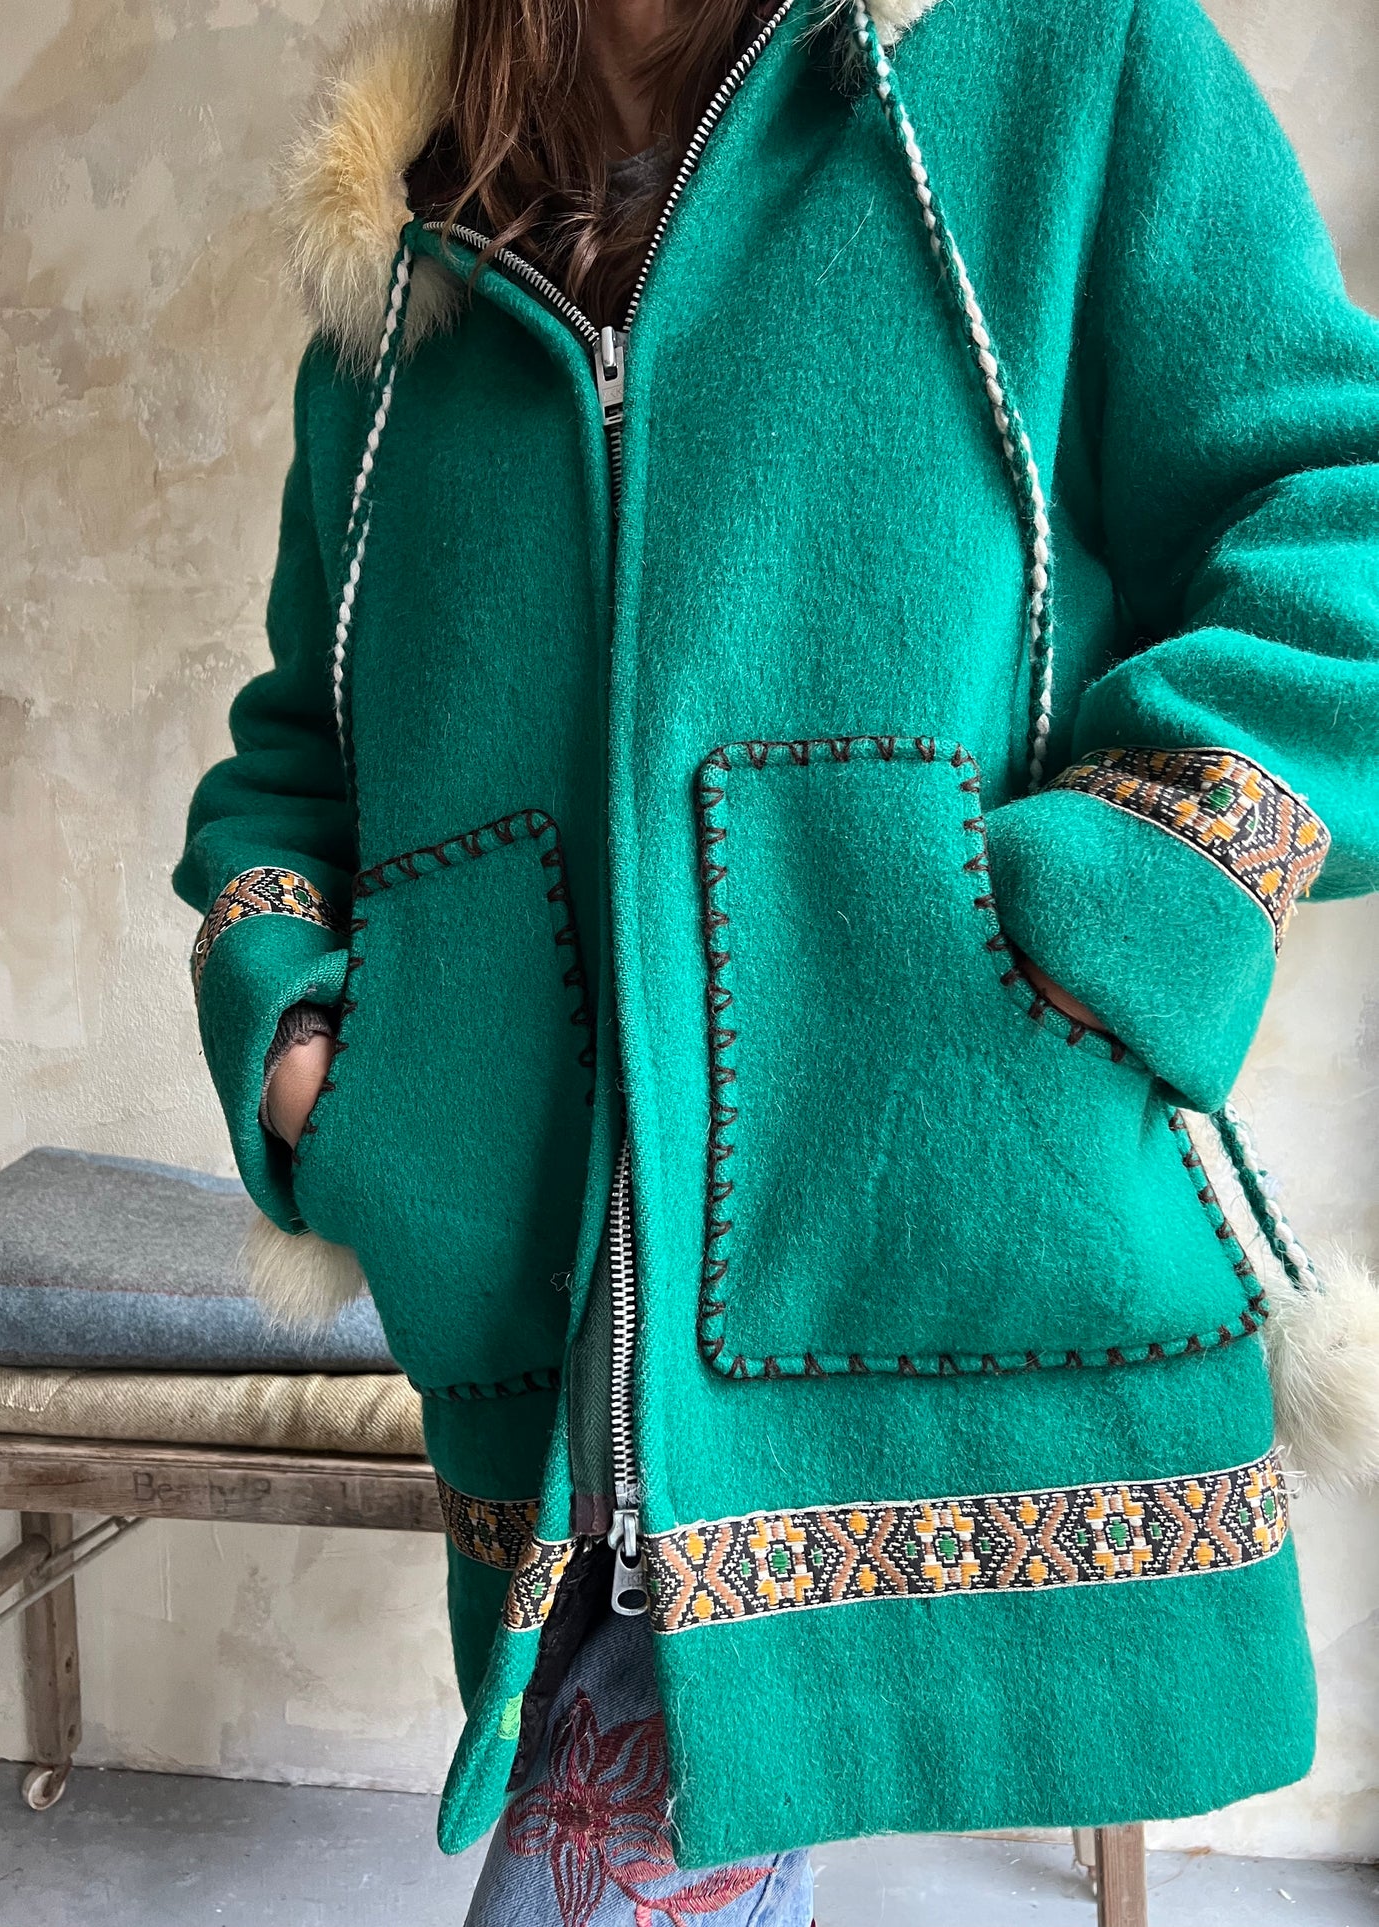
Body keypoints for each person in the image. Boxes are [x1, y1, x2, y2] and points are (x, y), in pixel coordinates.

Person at [175, 0, 1379, 1918]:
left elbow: (1337, 527)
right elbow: (298, 746)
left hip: (924, 1213)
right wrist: (303, 1040)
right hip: (545, 1307)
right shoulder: (408, 248)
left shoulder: (1064, 62)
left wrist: (1131, 896)